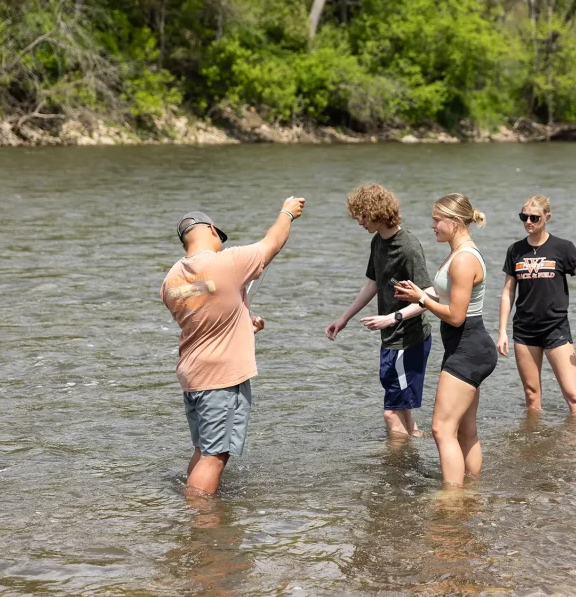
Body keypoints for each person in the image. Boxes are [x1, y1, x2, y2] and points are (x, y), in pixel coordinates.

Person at [161, 199, 305, 494]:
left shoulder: (170, 281)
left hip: (193, 376)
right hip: (220, 380)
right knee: (215, 456)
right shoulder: (226, 262)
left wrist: (243, 324)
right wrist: (287, 213)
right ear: (212, 231)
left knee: (203, 450)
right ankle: (202, 517)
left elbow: (205, 314)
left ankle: (192, 509)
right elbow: (273, 242)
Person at [394, 194, 497, 487]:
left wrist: (422, 299)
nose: (432, 226)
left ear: (454, 222)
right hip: (465, 347)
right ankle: (472, 489)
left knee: (441, 428)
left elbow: (456, 316)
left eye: (436, 220)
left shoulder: (463, 259)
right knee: (465, 429)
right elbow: (446, 297)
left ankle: (452, 497)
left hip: (468, 348)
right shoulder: (458, 253)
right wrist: (417, 296)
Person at [325, 183, 433, 439]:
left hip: (408, 340)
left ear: (377, 212)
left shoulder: (408, 247)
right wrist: (344, 318)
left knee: (391, 413)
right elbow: (373, 284)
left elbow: (429, 296)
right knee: (403, 411)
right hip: (391, 338)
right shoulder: (377, 242)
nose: (359, 221)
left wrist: (390, 318)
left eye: (363, 215)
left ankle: (396, 462)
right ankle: (415, 447)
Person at [496, 195, 576, 421]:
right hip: (525, 330)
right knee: (532, 396)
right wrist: (502, 332)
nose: (528, 222)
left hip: (555, 328)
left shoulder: (563, 248)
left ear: (547, 217)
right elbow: (508, 293)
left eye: (534, 218)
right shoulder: (515, 250)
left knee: (573, 395)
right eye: (524, 217)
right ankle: (534, 439)